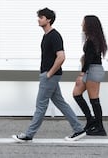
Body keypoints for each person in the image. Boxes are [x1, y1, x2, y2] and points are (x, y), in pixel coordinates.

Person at [13, 8, 86, 142]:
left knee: (40, 106)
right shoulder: (47, 35)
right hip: (49, 75)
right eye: (39, 17)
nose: (38, 19)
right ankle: (79, 129)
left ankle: (29, 134)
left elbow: (61, 57)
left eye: (41, 17)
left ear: (48, 20)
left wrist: (49, 74)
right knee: (61, 103)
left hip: (50, 76)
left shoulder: (54, 35)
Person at [72, 15, 108, 136]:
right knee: (76, 94)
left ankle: (100, 127)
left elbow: (89, 58)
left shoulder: (92, 40)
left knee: (94, 100)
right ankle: (91, 121)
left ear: (89, 25)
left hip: (93, 70)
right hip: (91, 70)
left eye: (83, 23)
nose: (81, 25)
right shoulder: (92, 39)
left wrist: (81, 74)